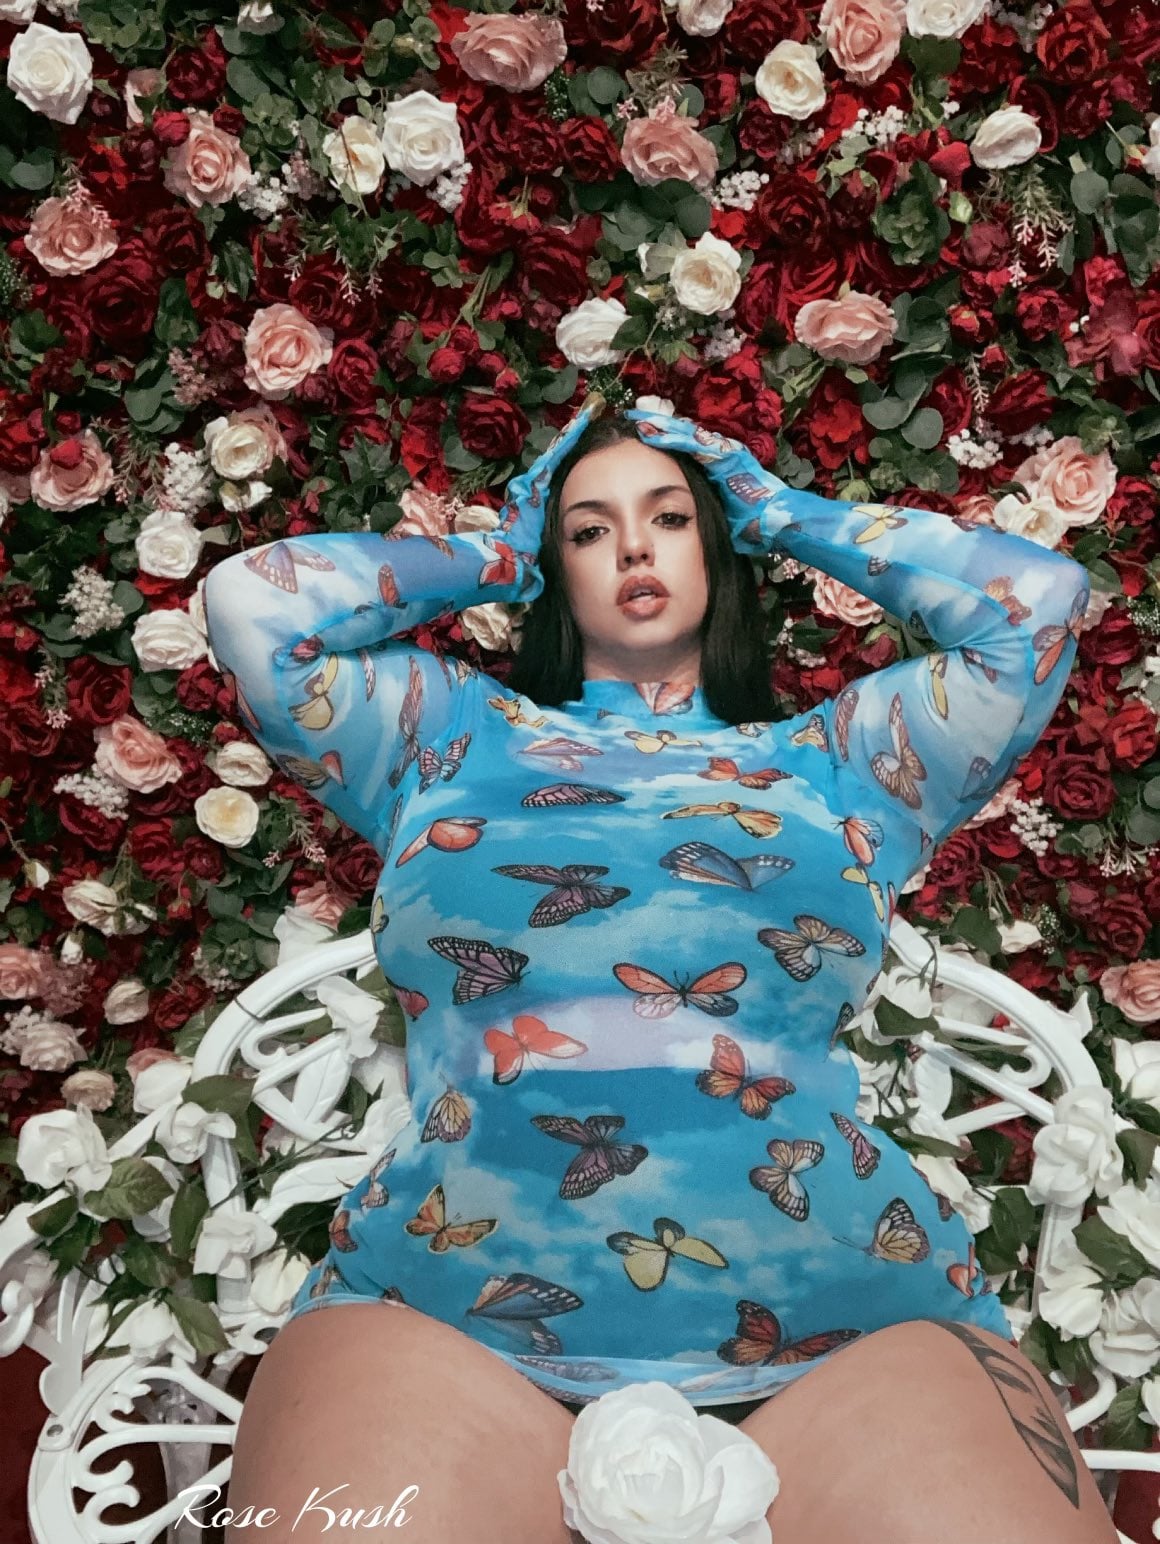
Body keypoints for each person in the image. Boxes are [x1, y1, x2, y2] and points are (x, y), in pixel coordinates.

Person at [202, 403, 1114, 1542]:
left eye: (670, 518)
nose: (633, 546)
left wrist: (782, 513)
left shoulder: (844, 762)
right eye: (589, 530)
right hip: (443, 1325)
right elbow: (254, 607)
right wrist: (499, 551)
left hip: (850, 1338)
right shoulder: (442, 737)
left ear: (714, 547)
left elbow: (1034, 606)